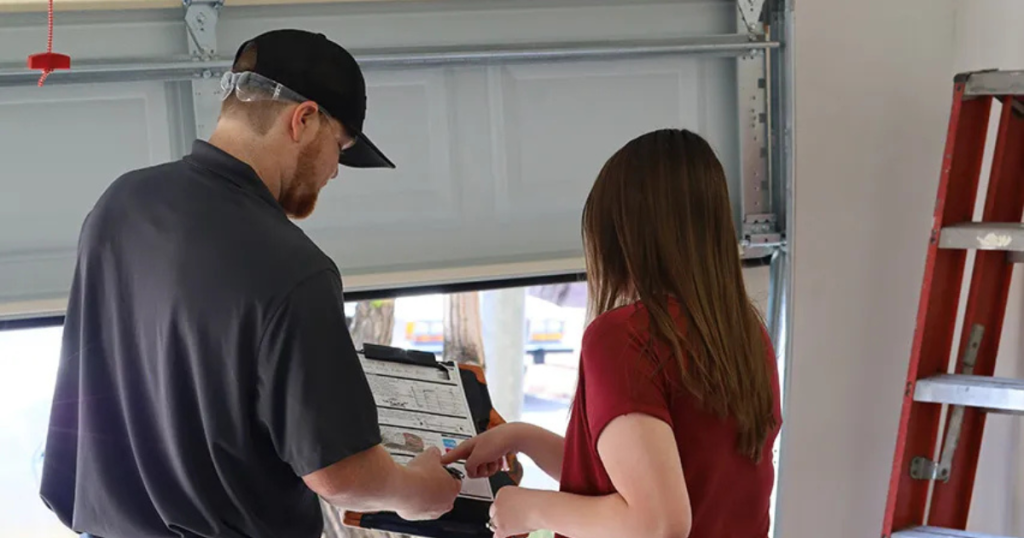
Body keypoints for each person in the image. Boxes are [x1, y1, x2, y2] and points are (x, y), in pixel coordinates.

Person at [39, 29, 461, 538]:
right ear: (303, 120)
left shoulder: (121, 204)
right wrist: (419, 491)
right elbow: (342, 474)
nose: (334, 173)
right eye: (339, 148)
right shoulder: (293, 268)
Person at [443, 128, 782, 538]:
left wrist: (532, 509)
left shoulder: (625, 337)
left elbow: (657, 524)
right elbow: (639, 476)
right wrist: (522, 437)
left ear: (615, 239)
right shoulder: (746, 336)